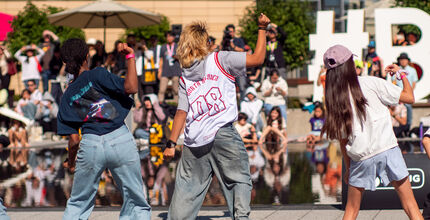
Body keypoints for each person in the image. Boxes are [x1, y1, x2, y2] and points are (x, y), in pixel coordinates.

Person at [162, 13, 271, 220]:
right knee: (239, 179)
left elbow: (182, 111)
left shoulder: (185, 74)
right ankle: (241, 217)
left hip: (194, 141)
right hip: (223, 133)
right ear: (205, 43)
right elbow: (258, 58)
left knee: (187, 188)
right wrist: (262, 29)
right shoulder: (221, 59)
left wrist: (170, 143)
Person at [321, 44, 422, 220]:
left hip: (361, 157)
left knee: (351, 211)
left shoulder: (334, 98)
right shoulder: (370, 82)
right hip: (387, 149)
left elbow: (343, 140)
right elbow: (409, 98)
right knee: (411, 206)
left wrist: (348, 168)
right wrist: (400, 74)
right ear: (349, 64)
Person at [57, 38, 151, 219]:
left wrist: (71, 161)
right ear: (86, 56)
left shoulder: (67, 96)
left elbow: (74, 140)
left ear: (65, 62)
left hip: (91, 144)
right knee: (135, 199)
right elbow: (131, 87)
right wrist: (130, 57)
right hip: (119, 138)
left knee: (78, 202)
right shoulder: (97, 75)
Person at [392, 52, 418, 132]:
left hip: (407, 95)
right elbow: (394, 82)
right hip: (399, 95)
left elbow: (414, 83)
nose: (403, 61)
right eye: (401, 59)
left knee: (408, 111)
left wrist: (409, 93)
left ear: (407, 61)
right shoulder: (396, 70)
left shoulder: (412, 70)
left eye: (404, 59)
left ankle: (408, 129)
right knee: (397, 111)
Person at [157, 31, 181, 103]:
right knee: (162, 89)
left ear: (173, 37)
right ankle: (160, 104)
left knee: (176, 90)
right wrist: (159, 71)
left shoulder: (178, 46)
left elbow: (182, 58)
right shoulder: (163, 47)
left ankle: (176, 104)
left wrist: (176, 57)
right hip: (165, 71)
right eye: (167, 36)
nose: (169, 38)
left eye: (170, 36)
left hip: (175, 70)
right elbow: (161, 59)